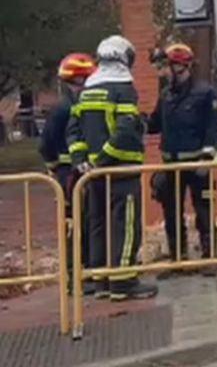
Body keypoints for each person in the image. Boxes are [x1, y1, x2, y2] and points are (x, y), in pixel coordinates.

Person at [67, 36, 157, 301]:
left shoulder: (87, 90)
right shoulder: (123, 89)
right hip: (121, 171)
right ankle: (123, 281)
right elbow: (126, 130)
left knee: (98, 224)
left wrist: (82, 161)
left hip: (92, 176)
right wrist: (104, 159)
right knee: (126, 224)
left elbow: (73, 131)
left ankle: (100, 280)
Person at [147, 43, 217, 271]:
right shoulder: (166, 95)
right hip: (171, 164)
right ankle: (177, 258)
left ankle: (210, 258)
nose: (162, 72)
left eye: (165, 66)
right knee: (171, 213)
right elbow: (154, 124)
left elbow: (214, 130)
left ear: (180, 67)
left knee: (204, 211)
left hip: (197, 164)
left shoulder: (205, 93)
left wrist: (206, 159)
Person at [39, 53, 96, 287]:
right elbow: (46, 146)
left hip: (77, 173)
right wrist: (57, 171)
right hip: (70, 175)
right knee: (75, 225)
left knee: (86, 222)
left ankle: (85, 271)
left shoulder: (76, 105)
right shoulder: (65, 110)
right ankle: (75, 276)